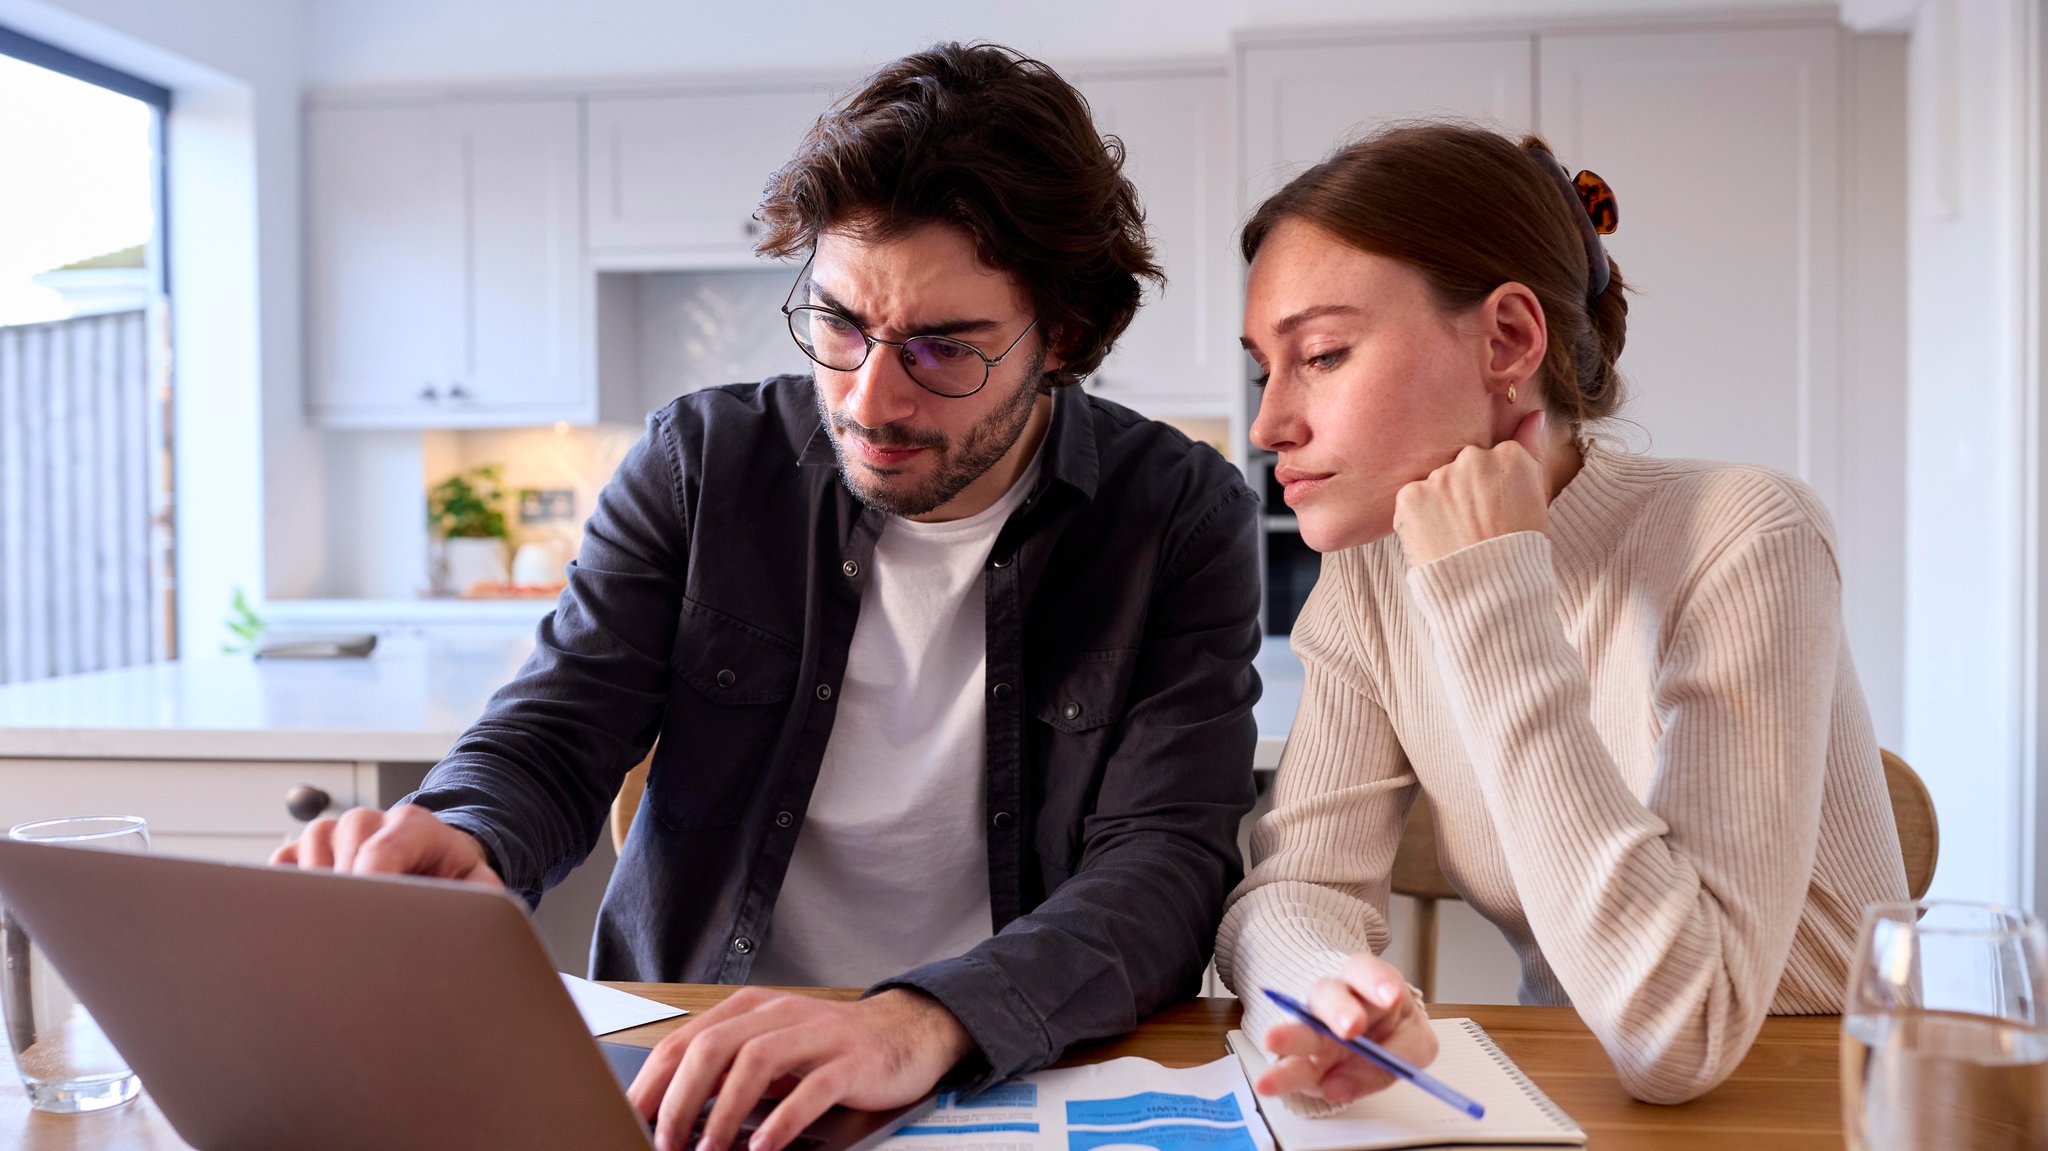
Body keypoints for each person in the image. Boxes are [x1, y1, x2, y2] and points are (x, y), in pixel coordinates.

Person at [274, 42, 1262, 1151]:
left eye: (943, 349)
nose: (869, 396)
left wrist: (920, 1018)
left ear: (1063, 339)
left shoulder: (1174, 513)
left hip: (998, 1065)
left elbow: (1165, 864)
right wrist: (465, 831)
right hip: (690, 1057)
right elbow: (555, 729)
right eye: (838, 323)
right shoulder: (701, 463)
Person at [1216, 122, 1908, 1109]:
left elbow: (1680, 1032)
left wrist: (1492, 584)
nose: (1267, 423)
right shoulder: (1370, 577)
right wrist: (1333, 991)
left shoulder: (1742, 535)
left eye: (1320, 354)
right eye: (1263, 368)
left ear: (1505, 338)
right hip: (1571, 1100)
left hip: (1808, 1102)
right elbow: (1297, 887)